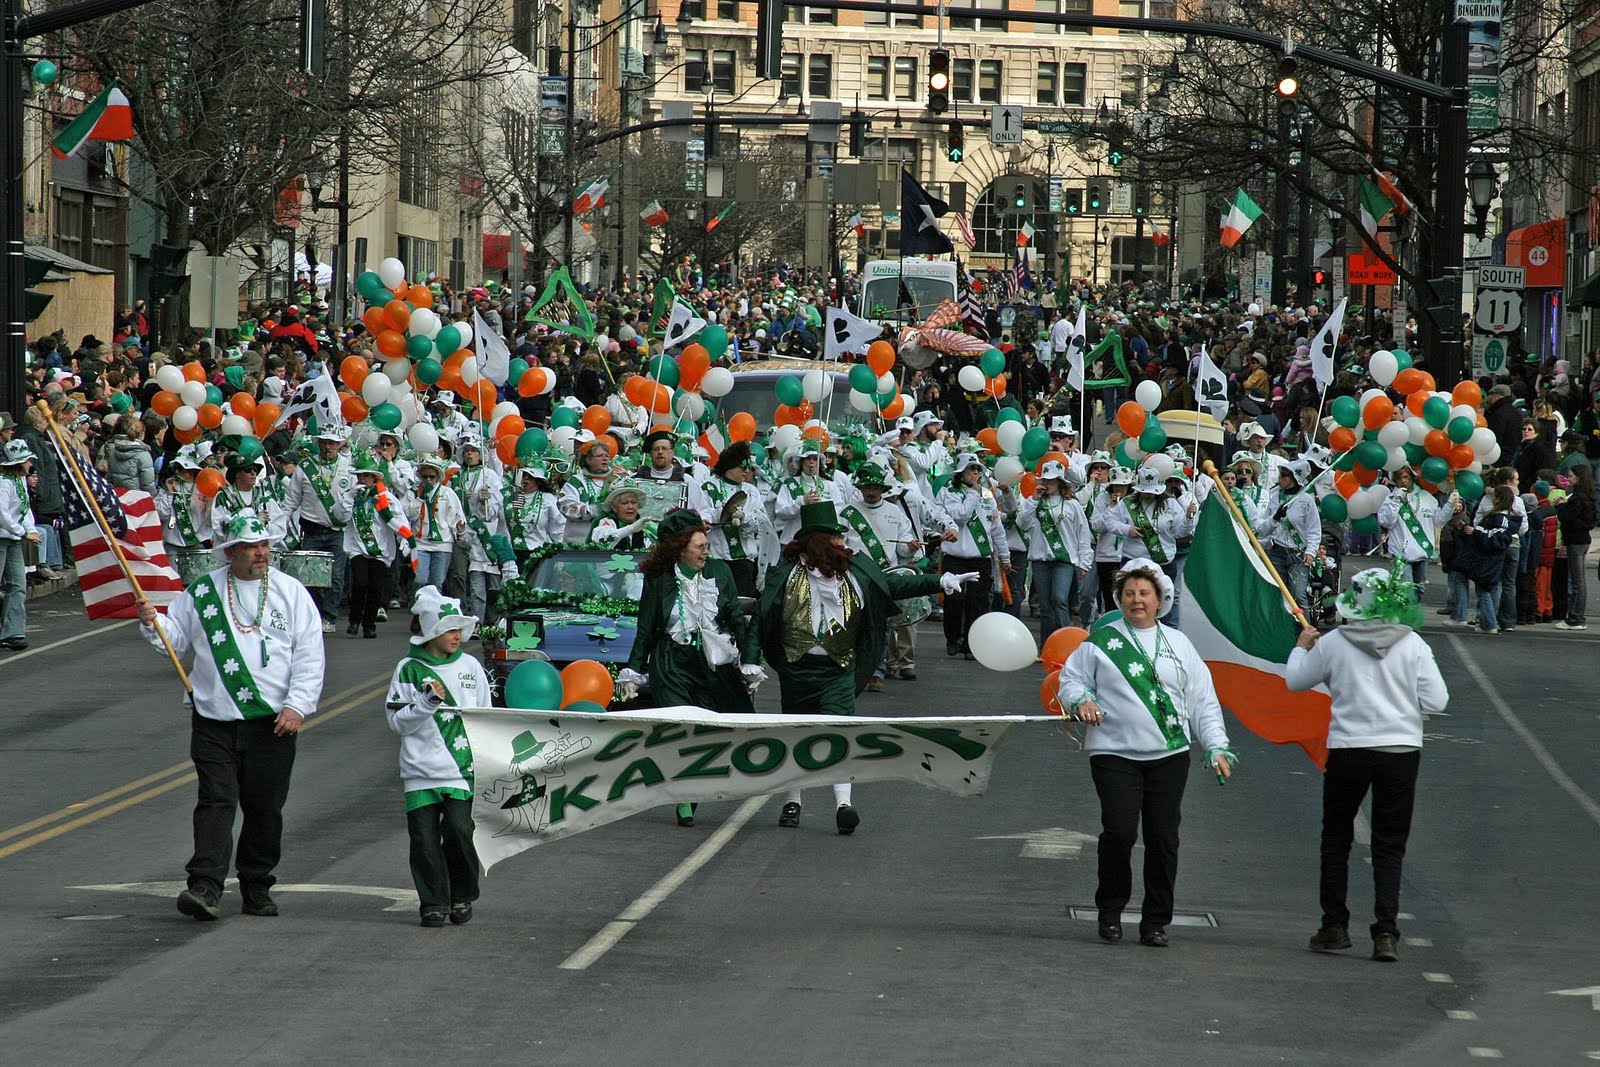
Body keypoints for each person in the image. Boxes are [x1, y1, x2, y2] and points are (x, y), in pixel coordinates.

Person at [137, 510, 325, 921]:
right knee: (216, 801)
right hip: (213, 719)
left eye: (264, 545)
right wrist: (155, 624)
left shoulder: (292, 593)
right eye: (251, 547)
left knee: (263, 807)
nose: (260, 553)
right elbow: (177, 640)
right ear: (230, 552)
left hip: (272, 723)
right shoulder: (202, 592)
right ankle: (204, 884)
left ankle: (257, 885)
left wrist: (297, 706)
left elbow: (310, 656)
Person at [756, 501, 976, 833]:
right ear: (818, 542)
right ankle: (793, 800)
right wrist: (751, 659)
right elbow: (762, 614)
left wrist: (941, 581)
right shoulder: (786, 574)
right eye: (835, 538)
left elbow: (895, 586)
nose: (841, 543)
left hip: (839, 671)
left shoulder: (855, 570)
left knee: (840, 732)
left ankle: (844, 803)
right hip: (797, 670)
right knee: (797, 734)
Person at [1058, 560, 1235, 948]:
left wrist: (1216, 745)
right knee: (1119, 832)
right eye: (1129, 594)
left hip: (1169, 755)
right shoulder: (1101, 642)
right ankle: (1110, 911)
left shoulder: (1179, 644)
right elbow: (1070, 679)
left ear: (1159, 600)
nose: (1136, 600)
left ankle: (1156, 920)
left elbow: (1202, 700)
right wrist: (1081, 699)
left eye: (1144, 593)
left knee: (1163, 838)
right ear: (1119, 599)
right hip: (1113, 753)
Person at [1286, 566, 1449, 963]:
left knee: (1336, 838)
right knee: (1390, 844)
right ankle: (1386, 932)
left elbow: (1295, 682)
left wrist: (1301, 646)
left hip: (1348, 748)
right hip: (1400, 750)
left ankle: (1334, 925)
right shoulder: (1412, 644)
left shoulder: (1334, 643)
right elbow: (1437, 701)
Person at [617, 509, 764, 826]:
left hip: (711, 664)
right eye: (700, 546)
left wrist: (749, 664)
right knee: (680, 730)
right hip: (671, 662)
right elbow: (645, 628)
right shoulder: (658, 579)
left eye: (706, 545)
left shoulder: (720, 572)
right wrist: (633, 672)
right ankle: (684, 798)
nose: (705, 551)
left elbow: (737, 621)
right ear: (680, 547)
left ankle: (695, 784)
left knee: (709, 731)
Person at [385, 585, 490, 927]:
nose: (457, 636)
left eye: (459, 629)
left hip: (462, 770)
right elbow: (397, 723)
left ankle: (462, 894)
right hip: (419, 771)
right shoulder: (408, 669)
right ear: (432, 632)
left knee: (460, 832)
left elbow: (486, 715)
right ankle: (433, 902)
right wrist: (425, 704)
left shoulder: (471, 667)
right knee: (425, 842)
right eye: (449, 630)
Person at [936, 452, 1009, 658]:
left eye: (978, 469)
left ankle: (971, 644)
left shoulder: (987, 495)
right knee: (954, 599)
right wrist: (973, 494)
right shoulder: (949, 492)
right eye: (972, 469)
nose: (976, 473)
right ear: (961, 472)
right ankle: (953, 638)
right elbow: (960, 516)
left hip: (981, 557)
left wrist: (1005, 558)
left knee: (978, 602)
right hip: (955, 556)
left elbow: (996, 529)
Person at [1018, 459, 1094, 638]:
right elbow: (1022, 523)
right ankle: (1047, 646)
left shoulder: (1073, 504)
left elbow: (1082, 534)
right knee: (1045, 605)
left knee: (1060, 600)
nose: (1047, 483)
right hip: (1040, 560)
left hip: (1064, 560)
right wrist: (1033, 499)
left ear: (1060, 482)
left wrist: (1084, 563)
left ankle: (1064, 641)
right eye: (1045, 479)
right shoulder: (1034, 502)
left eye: (1052, 480)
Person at [341, 449, 411, 638]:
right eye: (360, 475)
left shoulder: (385, 497)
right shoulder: (351, 496)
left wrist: (405, 537)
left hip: (380, 549)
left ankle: (369, 624)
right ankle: (354, 620)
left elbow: (399, 519)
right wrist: (348, 498)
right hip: (357, 547)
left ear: (374, 478)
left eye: (366, 476)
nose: (362, 479)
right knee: (361, 582)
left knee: (375, 587)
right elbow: (339, 516)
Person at [1, 440, 44, 650]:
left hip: (13, 540)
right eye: (27, 460)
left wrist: (31, 529)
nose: (30, 464)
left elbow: (24, 511)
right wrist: (22, 532)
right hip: (2, 538)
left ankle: (12, 632)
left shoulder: (19, 482)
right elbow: (2, 515)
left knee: (18, 585)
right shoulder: (4, 483)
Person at [1553, 465, 1594, 630]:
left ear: (1579, 477)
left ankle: (1576, 617)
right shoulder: (1588, 496)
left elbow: (1566, 517)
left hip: (1575, 541)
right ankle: (1576, 616)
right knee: (1578, 580)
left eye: (1571, 476)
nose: (1568, 479)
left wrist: (1561, 505)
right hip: (1582, 540)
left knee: (1577, 581)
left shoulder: (1577, 498)